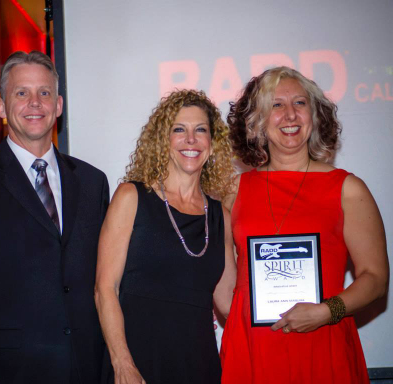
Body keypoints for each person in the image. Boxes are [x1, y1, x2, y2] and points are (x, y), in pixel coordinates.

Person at [0, 51, 109, 384]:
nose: (34, 103)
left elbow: (103, 283)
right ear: (1, 107)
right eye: (21, 93)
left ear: (58, 106)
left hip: (86, 367)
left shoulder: (92, 182)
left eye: (44, 93)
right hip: (9, 371)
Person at [220, 66, 389, 384]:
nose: (290, 115)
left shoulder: (347, 189)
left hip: (323, 343)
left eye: (299, 103)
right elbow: (222, 278)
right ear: (256, 121)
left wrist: (327, 311)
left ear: (315, 116)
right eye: (276, 105)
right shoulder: (233, 190)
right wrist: (242, 318)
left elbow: (376, 279)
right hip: (254, 350)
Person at [95, 89, 237, 384]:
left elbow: (228, 302)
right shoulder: (131, 197)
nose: (191, 140)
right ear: (163, 140)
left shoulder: (220, 216)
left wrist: (285, 307)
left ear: (212, 143)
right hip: (138, 366)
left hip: (199, 366)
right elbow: (104, 289)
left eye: (201, 130)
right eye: (179, 130)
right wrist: (122, 364)